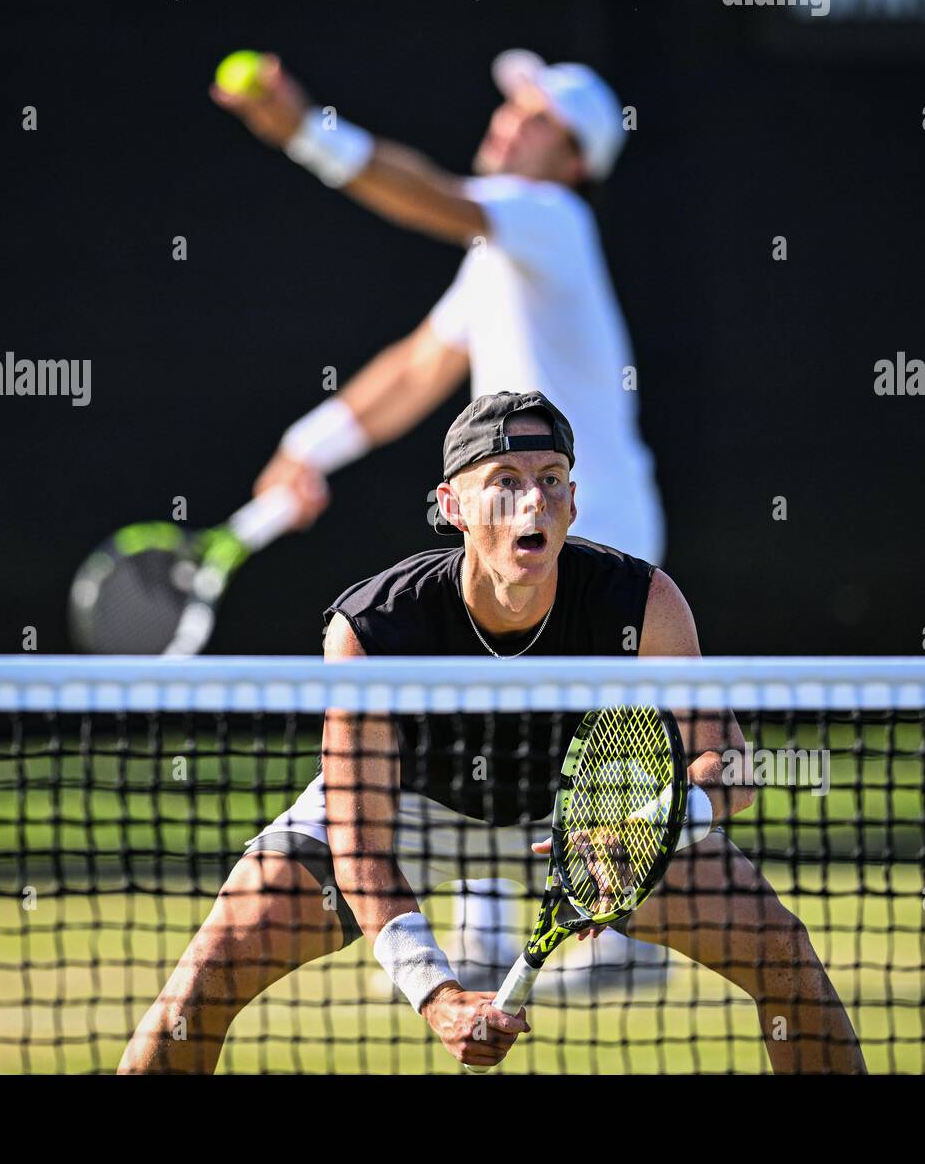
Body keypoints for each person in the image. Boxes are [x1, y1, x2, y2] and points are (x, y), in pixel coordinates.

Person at [118, 393, 866, 1074]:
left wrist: (642, 831)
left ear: (572, 504)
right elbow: (359, 840)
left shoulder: (642, 603)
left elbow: (731, 766)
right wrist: (436, 993)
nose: (531, 499)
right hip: (403, 806)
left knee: (783, 956)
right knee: (207, 977)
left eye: (550, 479)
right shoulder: (375, 627)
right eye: (505, 479)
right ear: (454, 506)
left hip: (587, 819)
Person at [211, 48, 666, 979]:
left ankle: (615, 930)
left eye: (534, 117)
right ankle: (492, 927)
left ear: (575, 155)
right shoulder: (497, 258)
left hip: (596, 524)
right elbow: (420, 367)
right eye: (510, 107)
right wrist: (309, 448)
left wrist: (303, 130)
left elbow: (430, 195)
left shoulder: (549, 217)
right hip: (516, 521)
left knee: (597, 739)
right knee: (479, 706)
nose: (508, 122)